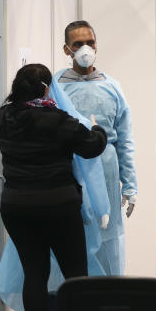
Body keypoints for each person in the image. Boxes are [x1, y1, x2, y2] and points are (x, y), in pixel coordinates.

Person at [0, 64, 107, 311]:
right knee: (75, 274)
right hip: (58, 205)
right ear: (46, 88)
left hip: (16, 206)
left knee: (34, 273)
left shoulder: (3, 116)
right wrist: (98, 128)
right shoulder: (58, 119)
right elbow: (91, 147)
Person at [56, 20, 137, 277]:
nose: (85, 49)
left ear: (96, 45)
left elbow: (124, 139)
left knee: (108, 240)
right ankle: (68, 309)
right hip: (67, 173)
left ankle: (109, 304)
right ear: (66, 49)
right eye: (77, 44)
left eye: (89, 43)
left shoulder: (111, 87)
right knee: (70, 240)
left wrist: (130, 185)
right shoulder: (56, 86)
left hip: (106, 169)